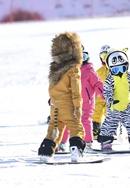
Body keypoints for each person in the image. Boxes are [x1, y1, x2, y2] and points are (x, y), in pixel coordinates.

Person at [37, 32, 85, 162]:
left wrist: (53, 101)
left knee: (54, 129)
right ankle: (76, 150)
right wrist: (77, 106)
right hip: (68, 105)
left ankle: (45, 152)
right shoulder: (74, 69)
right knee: (76, 127)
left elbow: (52, 87)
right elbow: (76, 90)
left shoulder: (55, 68)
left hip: (55, 106)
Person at [57, 45, 104, 152]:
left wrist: (103, 94)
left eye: (83, 56)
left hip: (86, 103)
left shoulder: (89, 72)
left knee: (85, 121)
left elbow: (98, 84)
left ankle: (87, 143)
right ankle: (61, 143)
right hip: (71, 103)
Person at [97, 48, 130, 150]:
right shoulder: (110, 79)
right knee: (110, 124)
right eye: (115, 70)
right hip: (114, 107)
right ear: (110, 68)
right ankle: (106, 142)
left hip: (127, 106)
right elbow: (107, 91)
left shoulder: (129, 76)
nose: (119, 72)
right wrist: (110, 100)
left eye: (122, 69)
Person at [91, 45, 111, 140]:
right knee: (96, 110)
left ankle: (110, 129)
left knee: (109, 111)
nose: (105, 59)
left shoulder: (114, 70)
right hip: (99, 96)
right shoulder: (99, 71)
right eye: (103, 56)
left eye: (107, 56)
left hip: (111, 96)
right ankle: (95, 128)